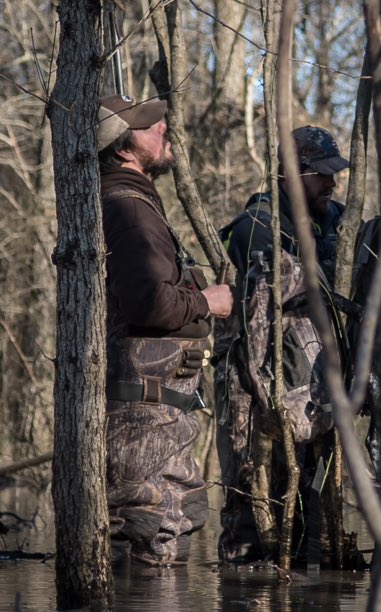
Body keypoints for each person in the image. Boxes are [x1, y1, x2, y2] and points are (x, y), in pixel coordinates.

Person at [97, 94, 233, 565]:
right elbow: (148, 302)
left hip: (157, 424)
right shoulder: (129, 211)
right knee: (152, 541)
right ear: (122, 147)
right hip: (144, 430)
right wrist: (207, 301)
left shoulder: (130, 204)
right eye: (150, 125)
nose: (163, 129)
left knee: (159, 540)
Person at [215, 126, 350, 564]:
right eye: (323, 174)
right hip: (257, 395)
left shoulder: (339, 222)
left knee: (315, 524)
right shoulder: (256, 227)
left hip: (318, 394)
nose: (333, 182)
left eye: (336, 173)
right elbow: (258, 296)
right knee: (252, 521)